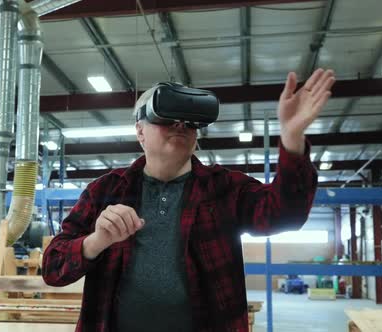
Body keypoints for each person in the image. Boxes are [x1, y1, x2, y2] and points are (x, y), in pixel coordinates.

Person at [42, 68, 336, 332]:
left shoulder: (224, 188)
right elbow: (53, 269)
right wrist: (95, 242)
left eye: (189, 120)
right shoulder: (104, 191)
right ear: (140, 131)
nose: (180, 124)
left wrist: (292, 136)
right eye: (166, 116)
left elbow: (284, 214)